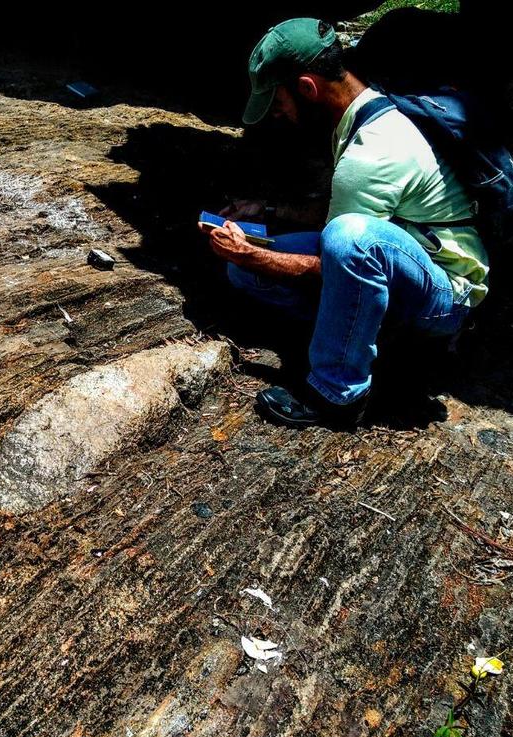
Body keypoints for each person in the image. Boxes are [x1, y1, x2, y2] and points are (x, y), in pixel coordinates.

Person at [205, 18, 488, 429]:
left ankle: (337, 394)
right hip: (404, 259)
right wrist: (265, 214)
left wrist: (253, 255)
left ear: (307, 88)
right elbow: (342, 210)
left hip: (446, 296)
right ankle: (361, 333)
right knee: (248, 272)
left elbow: (337, 255)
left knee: (346, 241)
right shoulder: (362, 115)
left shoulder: (374, 151)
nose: (279, 114)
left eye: (279, 101)